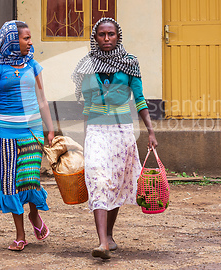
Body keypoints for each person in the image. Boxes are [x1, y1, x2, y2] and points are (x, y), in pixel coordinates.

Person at [71, 17, 158, 259]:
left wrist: (150, 131)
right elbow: (87, 105)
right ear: (95, 37)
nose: (106, 39)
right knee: (99, 179)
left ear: (118, 36)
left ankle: (108, 234)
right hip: (98, 132)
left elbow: (139, 100)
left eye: (111, 34)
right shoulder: (87, 65)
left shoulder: (130, 63)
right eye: (101, 34)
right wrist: (86, 137)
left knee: (116, 183)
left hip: (122, 133)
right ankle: (102, 243)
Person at [0, 20, 55, 251]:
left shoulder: (32, 65)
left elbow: (42, 99)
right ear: (12, 40)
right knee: (11, 184)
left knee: (30, 180)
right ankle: (20, 234)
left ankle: (34, 215)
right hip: (6, 134)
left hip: (32, 133)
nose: (30, 42)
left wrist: (50, 128)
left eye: (29, 38)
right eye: (25, 38)